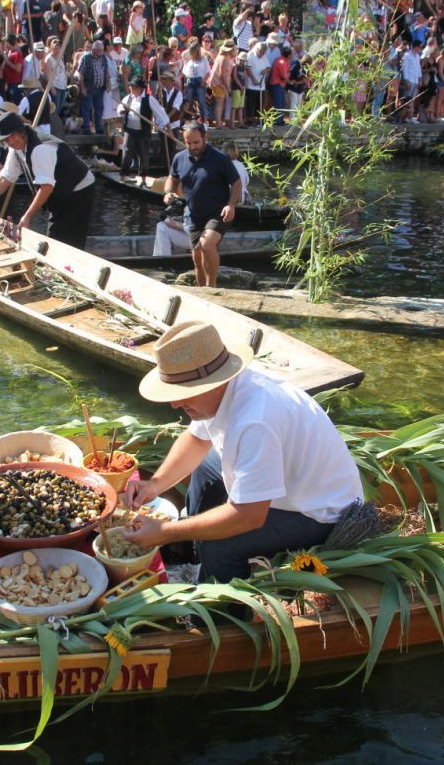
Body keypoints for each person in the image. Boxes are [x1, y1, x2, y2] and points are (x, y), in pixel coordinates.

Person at [120, 321, 360, 581]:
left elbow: (248, 516)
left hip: (317, 512)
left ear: (214, 382)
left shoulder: (255, 421)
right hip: (288, 488)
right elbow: (196, 440)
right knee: (205, 467)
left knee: (219, 545)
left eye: (183, 393)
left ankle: (220, 609)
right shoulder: (220, 391)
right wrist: (154, 485)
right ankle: (193, 557)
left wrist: (167, 530)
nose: (176, 403)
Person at [0, 111, 96, 248]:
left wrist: (27, 216)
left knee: (67, 240)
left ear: (21, 131)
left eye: (12, 137)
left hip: (79, 188)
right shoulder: (15, 149)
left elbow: (46, 187)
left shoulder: (40, 148)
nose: (10, 142)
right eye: (6, 140)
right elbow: (6, 177)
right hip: (59, 189)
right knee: (55, 235)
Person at [164, 122, 240, 287]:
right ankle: (201, 291)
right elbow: (172, 178)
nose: (193, 146)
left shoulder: (220, 159)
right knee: (197, 256)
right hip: (193, 214)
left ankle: (211, 287)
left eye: (196, 142)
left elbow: (236, 182)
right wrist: (169, 192)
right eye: (188, 143)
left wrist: (231, 205)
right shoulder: (180, 158)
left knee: (207, 244)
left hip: (218, 212)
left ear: (205, 137)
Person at [118, 76, 169, 179]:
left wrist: (165, 127)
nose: (131, 89)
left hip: (143, 132)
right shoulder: (128, 98)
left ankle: (143, 179)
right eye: (131, 86)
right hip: (130, 130)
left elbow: (161, 113)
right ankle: (123, 177)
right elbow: (119, 112)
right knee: (127, 154)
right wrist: (124, 110)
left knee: (143, 155)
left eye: (134, 87)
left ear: (140, 88)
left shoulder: (149, 99)